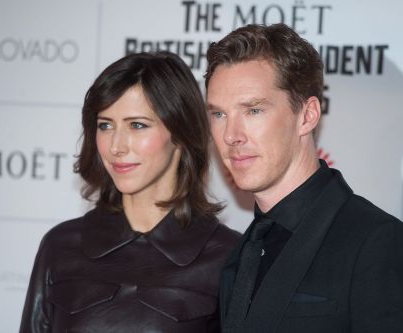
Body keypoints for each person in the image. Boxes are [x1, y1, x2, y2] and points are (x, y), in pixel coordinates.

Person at [205, 23, 403, 333]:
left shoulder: (378, 244)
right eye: (218, 114)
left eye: (253, 110)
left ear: (307, 115)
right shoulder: (242, 250)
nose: (231, 135)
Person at [19, 51, 240, 332]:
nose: (116, 147)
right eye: (105, 125)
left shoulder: (229, 256)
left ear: (181, 134)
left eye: (137, 125)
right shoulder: (60, 246)